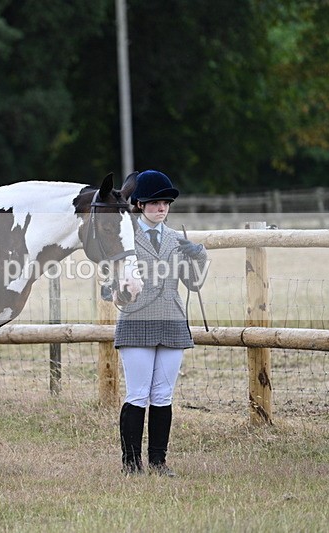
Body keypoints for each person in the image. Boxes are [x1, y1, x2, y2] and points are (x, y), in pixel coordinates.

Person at [114, 169, 208, 477]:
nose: (161, 208)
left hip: (171, 322)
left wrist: (199, 256)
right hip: (136, 322)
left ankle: (158, 461)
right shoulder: (125, 238)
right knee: (138, 394)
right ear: (140, 204)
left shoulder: (176, 239)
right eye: (154, 203)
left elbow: (193, 284)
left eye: (165, 202)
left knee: (163, 395)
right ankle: (131, 462)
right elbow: (114, 290)